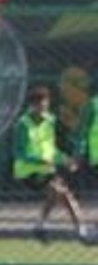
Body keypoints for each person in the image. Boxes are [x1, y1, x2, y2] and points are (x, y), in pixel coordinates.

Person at [13, 85, 88, 243]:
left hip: (47, 169)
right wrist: (41, 161)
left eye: (45, 106)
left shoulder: (49, 121)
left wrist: (65, 160)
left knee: (63, 195)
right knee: (58, 191)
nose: (42, 110)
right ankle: (78, 230)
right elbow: (20, 153)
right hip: (28, 172)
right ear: (32, 106)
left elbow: (50, 149)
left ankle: (79, 230)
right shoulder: (23, 125)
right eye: (39, 106)